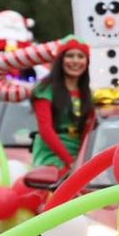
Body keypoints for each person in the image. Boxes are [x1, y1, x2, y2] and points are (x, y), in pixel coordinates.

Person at [30, 39, 92, 171]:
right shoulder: (45, 90)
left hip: (81, 156)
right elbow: (45, 130)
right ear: (60, 60)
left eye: (81, 56)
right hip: (52, 157)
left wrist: (82, 160)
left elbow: (89, 130)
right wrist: (70, 162)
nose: (75, 61)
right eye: (70, 56)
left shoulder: (88, 93)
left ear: (87, 62)